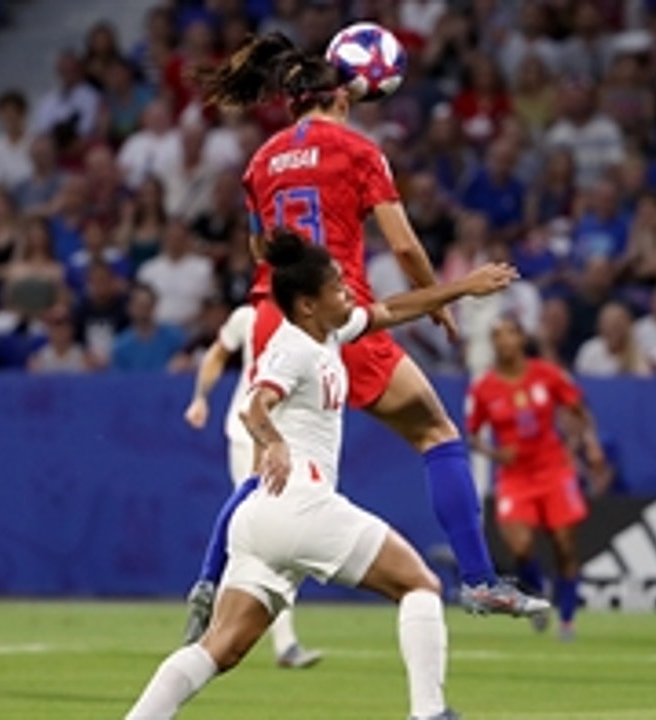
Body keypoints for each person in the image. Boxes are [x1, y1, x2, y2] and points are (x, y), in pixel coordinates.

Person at [181, 33, 546, 635]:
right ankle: (481, 580)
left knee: (270, 459)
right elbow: (402, 243)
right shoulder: (356, 149)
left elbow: (255, 248)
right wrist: (438, 301)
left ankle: (207, 579)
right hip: (339, 316)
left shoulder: (260, 161)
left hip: (277, 316)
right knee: (436, 432)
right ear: (346, 99)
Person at [125, 230, 516, 720]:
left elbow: (393, 309)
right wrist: (275, 441)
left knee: (219, 648)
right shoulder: (293, 348)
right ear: (307, 304)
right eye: (336, 287)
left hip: (260, 519)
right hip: (300, 503)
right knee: (420, 585)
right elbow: (254, 405)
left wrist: (462, 287)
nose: (348, 291)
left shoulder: (329, 333)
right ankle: (430, 713)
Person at [181, 303, 323, 668]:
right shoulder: (250, 316)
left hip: (292, 436)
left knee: (271, 530)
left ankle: (212, 595)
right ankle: (221, 600)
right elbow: (217, 353)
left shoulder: (312, 315)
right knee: (266, 526)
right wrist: (200, 397)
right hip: (253, 434)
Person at [466, 316, 605, 640]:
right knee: (521, 545)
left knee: (564, 545)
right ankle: (539, 594)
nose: (503, 342)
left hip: (553, 469)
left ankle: (567, 621)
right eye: (496, 336)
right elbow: (472, 435)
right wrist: (496, 455)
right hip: (514, 476)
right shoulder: (484, 388)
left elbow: (579, 410)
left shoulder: (546, 374)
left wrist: (590, 445)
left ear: (521, 338)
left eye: (509, 334)